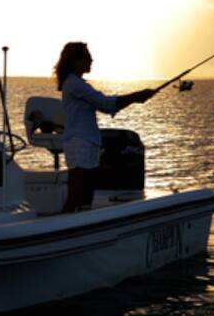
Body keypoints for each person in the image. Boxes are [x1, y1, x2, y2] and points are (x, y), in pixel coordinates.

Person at [54, 41, 155, 213]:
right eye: (87, 57)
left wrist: (135, 98)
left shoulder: (77, 83)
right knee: (76, 195)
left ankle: (83, 227)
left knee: (86, 195)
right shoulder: (74, 84)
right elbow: (106, 104)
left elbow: (106, 104)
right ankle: (61, 231)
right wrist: (136, 96)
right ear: (75, 61)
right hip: (80, 143)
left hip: (87, 142)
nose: (91, 60)